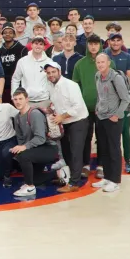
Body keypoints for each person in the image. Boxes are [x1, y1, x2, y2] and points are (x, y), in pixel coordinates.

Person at [73, 34, 115, 180]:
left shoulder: (109, 63)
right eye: (90, 44)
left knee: (102, 137)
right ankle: (85, 165)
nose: (93, 46)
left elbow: (113, 86)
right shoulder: (80, 64)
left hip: (103, 109)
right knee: (86, 137)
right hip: (85, 108)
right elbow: (76, 86)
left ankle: (101, 166)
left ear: (100, 45)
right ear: (87, 45)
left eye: (96, 44)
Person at [10, 88, 65, 197]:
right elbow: (21, 139)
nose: (18, 102)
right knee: (35, 178)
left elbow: (41, 138)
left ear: (27, 99)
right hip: (35, 149)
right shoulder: (17, 118)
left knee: (23, 156)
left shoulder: (34, 113)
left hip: (48, 148)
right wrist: (20, 148)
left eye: (20, 99)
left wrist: (24, 147)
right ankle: (58, 173)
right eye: (15, 99)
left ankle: (29, 187)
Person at [45, 62, 88, 193]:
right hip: (64, 123)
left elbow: (77, 107)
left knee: (75, 152)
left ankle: (74, 183)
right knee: (66, 152)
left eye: (53, 72)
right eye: (48, 73)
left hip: (78, 121)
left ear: (59, 71)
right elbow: (56, 102)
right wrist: (51, 109)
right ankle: (70, 177)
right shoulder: (50, 86)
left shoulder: (71, 85)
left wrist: (61, 116)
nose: (51, 75)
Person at [93, 53, 130, 193]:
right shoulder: (97, 76)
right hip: (101, 117)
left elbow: (125, 99)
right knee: (104, 149)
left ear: (108, 63)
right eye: (98, 62)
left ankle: (115, 180)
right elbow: (100, 95)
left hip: (113, 119)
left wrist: (117, 115)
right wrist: (97, 108)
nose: (100, 65)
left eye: (103, 62)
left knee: (114, 149)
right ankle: (107, 177)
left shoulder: (116, 78)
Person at [104, 32, 130, 174]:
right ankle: (110, 160)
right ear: (109, 42)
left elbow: (129, 79)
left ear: (122, 42)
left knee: (125, 131)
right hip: (108, 101)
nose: (115, 43)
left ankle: (128, 160)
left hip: (124, 100)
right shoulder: (104, 56)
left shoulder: (128, 57)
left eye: (118, 40)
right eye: (113, 40)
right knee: (109, 132)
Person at [11, 36, 53, 108]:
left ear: (44, 47)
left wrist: (52, 99)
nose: (38, 46)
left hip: (45, 101)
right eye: (36, 43)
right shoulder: (22, 61)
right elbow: (15, 79)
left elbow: (52, 81)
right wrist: (13, 96)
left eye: (41, 44)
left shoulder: (49, 61)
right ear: (31, 45)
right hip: (27, 101)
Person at [0, 23, 27, 103]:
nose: (8, 34)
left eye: (10, 32)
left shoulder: (22, 49)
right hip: (4, 87)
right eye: (5, 33)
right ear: (2, 35)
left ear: (14, 34)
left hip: (19, 86)